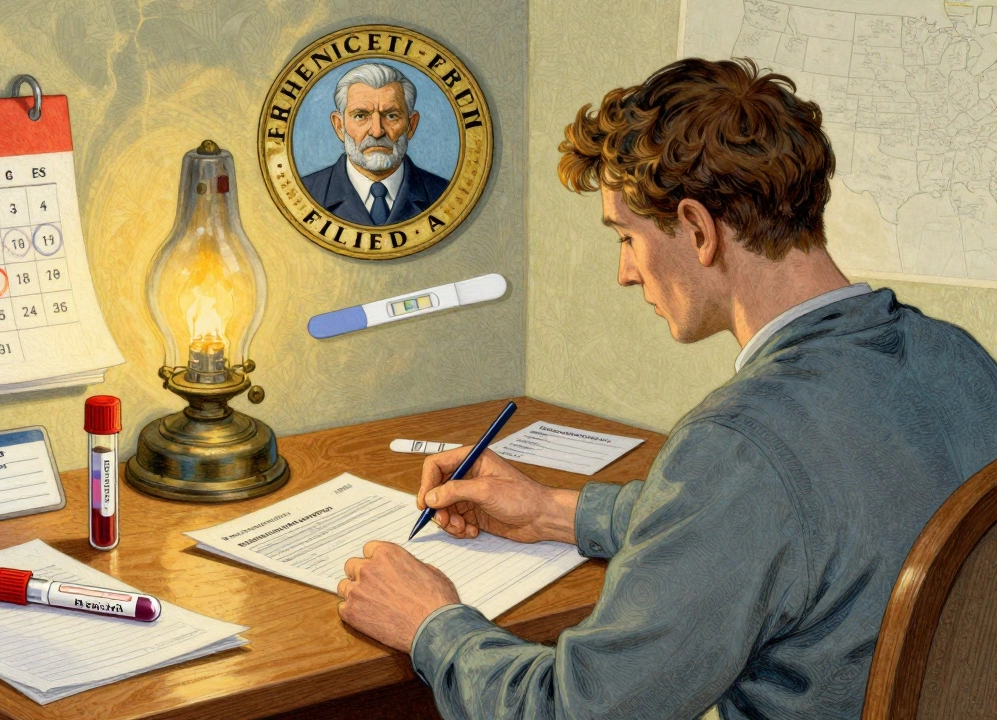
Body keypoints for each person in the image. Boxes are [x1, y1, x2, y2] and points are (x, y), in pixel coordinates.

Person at [335, 57, 997, 719]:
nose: (625, 273)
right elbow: (790, 529)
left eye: (627, 237)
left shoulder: (737, 447)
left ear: (700, 230)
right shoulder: (954, 357)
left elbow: (572, 712)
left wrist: (430, 624)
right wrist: (551, 513)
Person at [301, 62, 449, 226]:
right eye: (360, 116)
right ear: (339, 126)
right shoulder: (305, 194)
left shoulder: (445, 194)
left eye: (391, 116)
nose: (377, 132)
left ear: (411, 125)